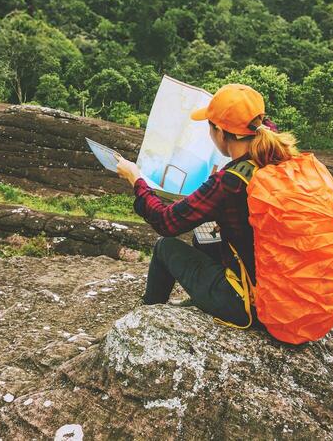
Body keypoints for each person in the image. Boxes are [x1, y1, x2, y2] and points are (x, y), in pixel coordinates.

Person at [113, 82, 302, 329]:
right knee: (204, 237)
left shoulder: (230, 180)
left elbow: (165, 222)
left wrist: (136, 179)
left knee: (164, 248)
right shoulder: (278, 160)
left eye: (210, 128)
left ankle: (141, 324)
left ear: (221, 133)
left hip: (253, 305)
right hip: (290, 298)